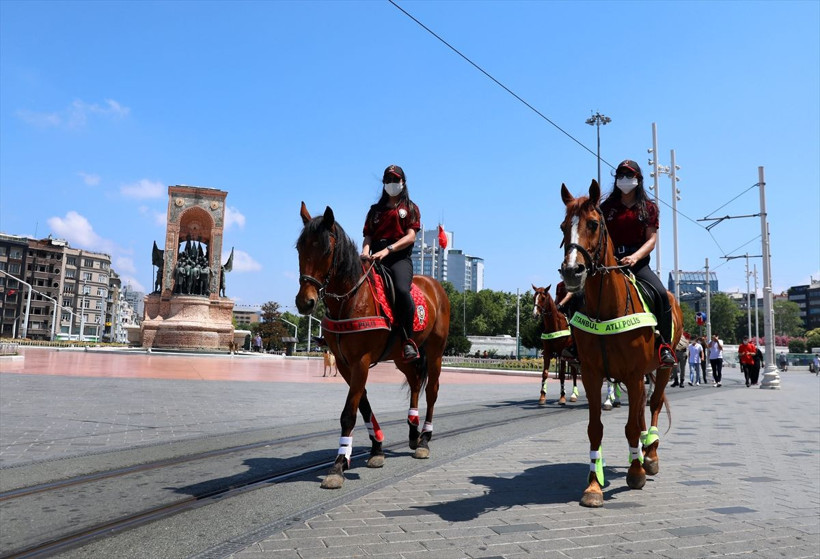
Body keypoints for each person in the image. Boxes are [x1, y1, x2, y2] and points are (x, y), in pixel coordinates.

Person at [600, 160, 675, 366]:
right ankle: (576, 345)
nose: (624, 179)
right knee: (579, 294)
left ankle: (664, 346)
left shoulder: (649, 208)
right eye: (620, 175)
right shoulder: (606, 208)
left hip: (638, 263)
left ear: (638, 179)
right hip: (609, 263)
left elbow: (651, 241)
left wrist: (634, 257)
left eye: (629, 175)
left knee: (661, 295)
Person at [361, 164, 421, 361]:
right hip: (374, 257)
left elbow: (411, 236)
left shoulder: (410, 208)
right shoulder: (375, 211)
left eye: (396, 180)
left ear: (403, 182)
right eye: (388, 180)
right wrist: (365, 252)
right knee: (351, 282)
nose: (392, 183)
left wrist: (388, 250)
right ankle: (335, 333)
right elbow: (368, 236)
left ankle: (408, 340)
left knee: (401, 290)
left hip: (398, 258)